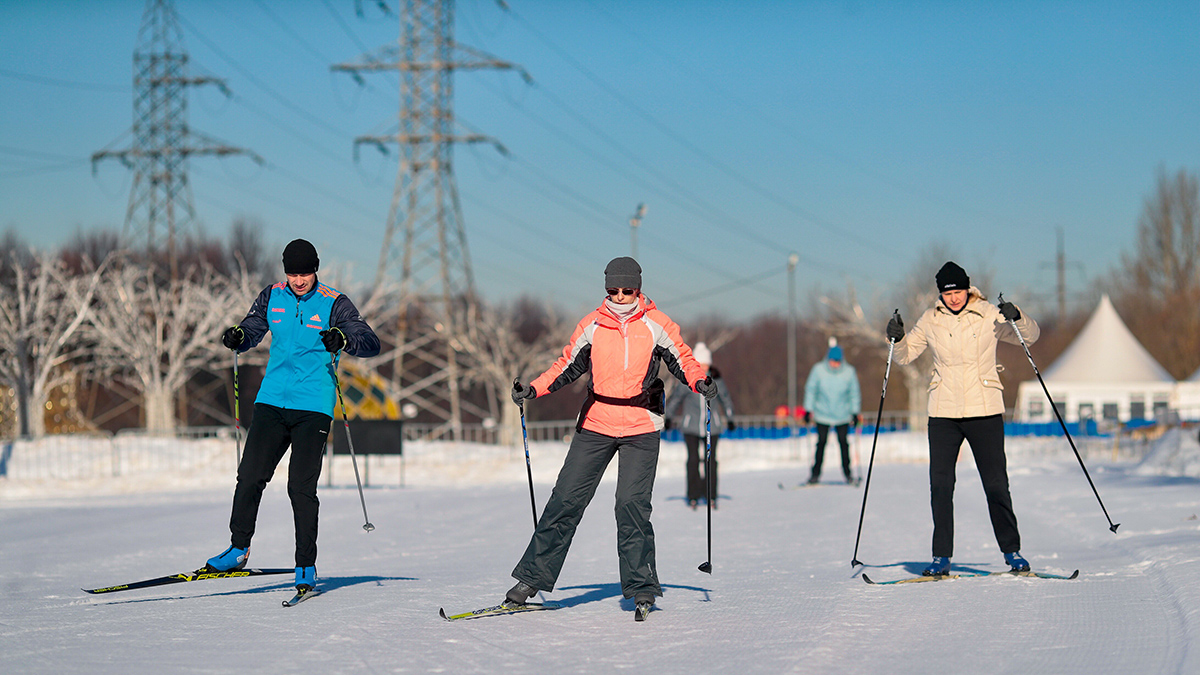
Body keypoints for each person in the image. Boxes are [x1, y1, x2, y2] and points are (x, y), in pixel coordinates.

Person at [506, 257, 715, 618]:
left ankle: (643, 588)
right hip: (597, 424)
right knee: (565, 501)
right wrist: (534, 389)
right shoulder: (591, 325)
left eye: (627, 290)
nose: (620, 297)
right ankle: (531, 579)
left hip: (640, 427)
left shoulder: (657, 324)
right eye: (613, 290)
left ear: (638, 288)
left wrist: (699, 381)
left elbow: (683, 359)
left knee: (630, 507)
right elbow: (565, 364)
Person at [204, 239, 380, 594]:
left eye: (305, 273)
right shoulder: (272, 296)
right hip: (271, 400)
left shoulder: (334, 302)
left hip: (312, 405)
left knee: (300, 487)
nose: (299, 280)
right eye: (293, 273)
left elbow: (370, 341)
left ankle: (305, 565)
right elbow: (252, 328)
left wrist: (342, 338)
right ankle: (239, 548)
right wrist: (238, 336)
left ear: (316, 269)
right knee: (250, 474)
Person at [885, 261, 1039, 577]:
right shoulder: (931, 319)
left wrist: (1017, 315)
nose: (953, 298)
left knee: (996, 484)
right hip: (943, 412)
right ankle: (941, 556)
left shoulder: (988, 314)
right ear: (940, 293)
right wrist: (896, 338)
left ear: (968, 288)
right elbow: (904, 355)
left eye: (957, 291)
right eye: (947, 293)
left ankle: (1012, 552)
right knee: (940, 485)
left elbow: (1029, 337)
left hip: (985, 409)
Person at [664, 342, 736, 509]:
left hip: (713, 427)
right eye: (699, 363)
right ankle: (693, 494)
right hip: (691, 427)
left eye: (705, 364)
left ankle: (711, 494)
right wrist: (669, 417)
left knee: (711, 462)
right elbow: (675, 400)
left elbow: (726, 399)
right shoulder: (687, 380)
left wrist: (730, 418)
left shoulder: (716, 380)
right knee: (693, 461)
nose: (703, 367)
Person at [802, 343, 861, 485]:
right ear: (827, 359)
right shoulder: (818, 370)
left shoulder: (849, 372)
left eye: (838, 361)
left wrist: (855, 412)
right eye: (832, 361)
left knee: (843, 443)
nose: (835, 364)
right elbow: (811, 390)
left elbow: (854, 393)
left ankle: (848, 474)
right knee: (821, 443)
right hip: (822, 414)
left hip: (842, 415)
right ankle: (815, 474)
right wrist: (808, 410)